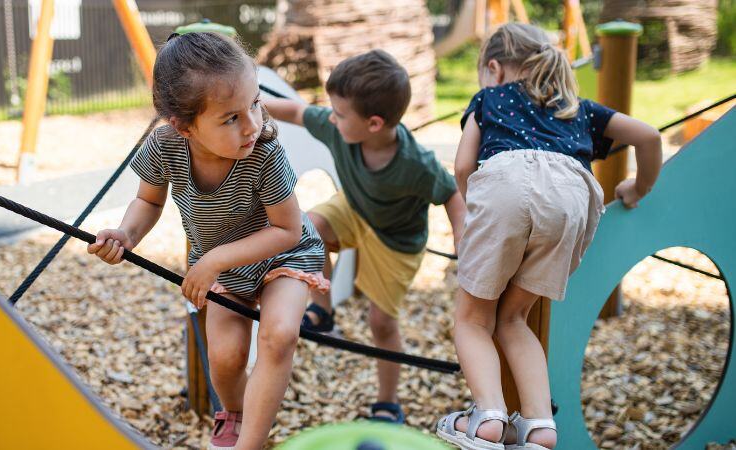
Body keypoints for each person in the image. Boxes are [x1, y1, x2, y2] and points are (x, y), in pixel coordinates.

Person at [87, 32, 328, 450]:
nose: (252, 124)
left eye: (255, 103)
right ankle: (235, 412)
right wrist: (126, 234)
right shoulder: (165, 146)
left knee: (279, 335)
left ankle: (250, 443)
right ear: (183, 126)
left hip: (283, 256)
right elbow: (148, 201)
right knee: (226, 358)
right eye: (231, 118)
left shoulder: (264, 151)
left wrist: (214, 260)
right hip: (225, 270)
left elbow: (286, 230)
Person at [435, 23, 662, 450]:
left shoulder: (489, 98)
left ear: (494, 69)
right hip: (571, 198)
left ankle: (488, 417)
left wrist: (478, 217)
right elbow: (649, 136)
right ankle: (539, 426)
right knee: (514, 318)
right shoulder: (578, 107)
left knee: (473, 319)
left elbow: (463, 166)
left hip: (506, 183)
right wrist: (638, 187)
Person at [265, 49, 466, 424]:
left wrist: (462, 237)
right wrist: (251, 105)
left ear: (374, 124)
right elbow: (294, 111)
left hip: (396, 241)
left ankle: (388, 402)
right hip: (356, 207)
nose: (332, 117)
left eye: (340, 114)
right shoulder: (337, 127)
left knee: (381, 323)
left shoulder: (415, 164)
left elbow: (451, 193)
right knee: (308, 228)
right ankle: (322, 310)